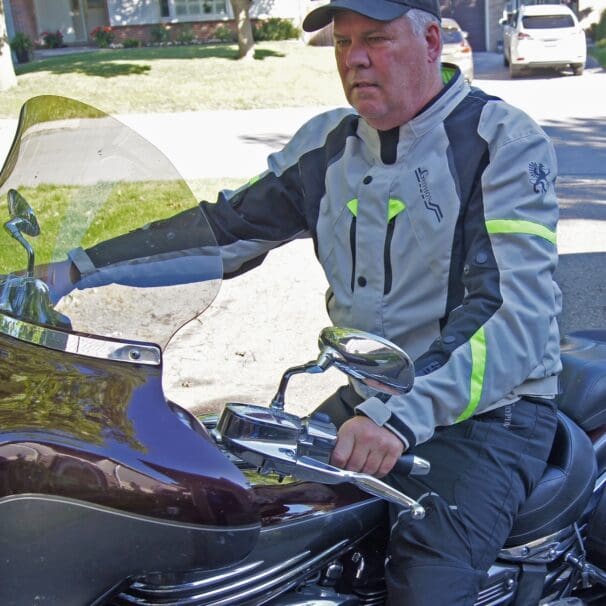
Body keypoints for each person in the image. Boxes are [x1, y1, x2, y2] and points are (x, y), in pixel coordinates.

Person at [57, 0, 561, 603]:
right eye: (342, 44)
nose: (356, 59)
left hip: (487, 414)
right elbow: (223, 230)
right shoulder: (329, 144)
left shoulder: (499, 141)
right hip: (369, 398)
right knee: (247, 520)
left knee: (428, 580)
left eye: (375, 39)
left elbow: (514, 314)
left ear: (431, 41)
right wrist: (75, 268)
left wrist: (398, 418)